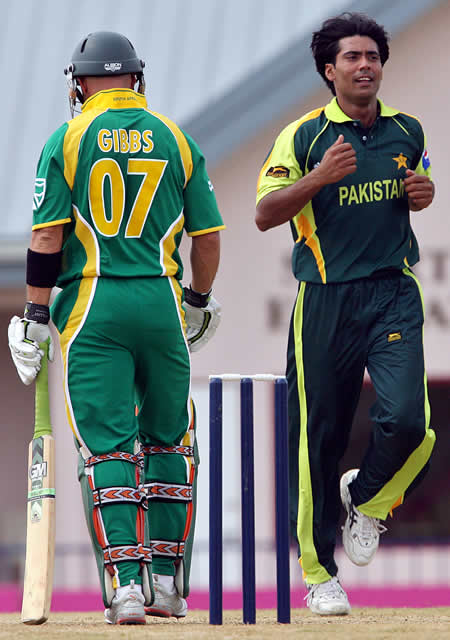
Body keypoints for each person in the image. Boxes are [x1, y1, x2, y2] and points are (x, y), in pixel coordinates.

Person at [8, 31, 225, 625]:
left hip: (93, 309)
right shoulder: (176, 139)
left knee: (108, 448)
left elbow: (47, 237)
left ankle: (126, 587)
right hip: (161, 302)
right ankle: (166, 583)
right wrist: (198, 300)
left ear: (79, 83)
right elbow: (207, 236)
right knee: (167, 439)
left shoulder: (68, 139)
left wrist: (32, 313)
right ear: (137, 79)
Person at [255, 12, 436, 616]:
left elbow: (421, 181)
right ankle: (318, 571)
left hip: (392, 291)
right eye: (352, 58)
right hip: (325, 298)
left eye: (373, 57)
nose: (365, 66)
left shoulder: (407, 130)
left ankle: (368, 498)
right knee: (317, 438)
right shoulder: (304, 136)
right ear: (329, 71)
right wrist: (319, 177)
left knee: (409, 420)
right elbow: (263, 211)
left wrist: (424, 193)